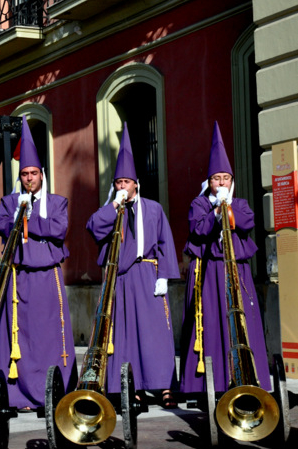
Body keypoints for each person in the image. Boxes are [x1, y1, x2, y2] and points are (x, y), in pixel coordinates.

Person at [86, 123, 180, 407]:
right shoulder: (112, 210)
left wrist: (164, 275)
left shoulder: (154, 208)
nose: (122, 186)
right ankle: (133, 386)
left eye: (126, 182)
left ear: (136, 183)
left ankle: (164, 386)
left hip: (149, 274)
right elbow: (93, 227)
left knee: (156, 331)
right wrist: (114, 205)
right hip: (122, 279)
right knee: (126, 334)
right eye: (118, 182)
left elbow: (165, 242)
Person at [179, 121, 271, 394]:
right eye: (217, 178)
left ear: (231, 181)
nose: (221, 183)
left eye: (225, 178)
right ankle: (209, 384)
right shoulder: (199, 204)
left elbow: (246, 222)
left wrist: (227, 207)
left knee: (242, 321)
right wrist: (217, 211)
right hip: (207, 274)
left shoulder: (240, 203)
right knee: (210, 323)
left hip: (236, 274)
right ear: (209, 182)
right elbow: (198, 228)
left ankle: (248, 377)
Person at [0, 115, 77, 411]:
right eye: (25, 174)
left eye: (34, 173)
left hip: (48, 277)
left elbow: (58, 228)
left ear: (42, 174)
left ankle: (53, 390)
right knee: (22, 336)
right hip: (19, 278)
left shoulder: (57, 202)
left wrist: (29, 219)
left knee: (49, 335)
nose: (29, 178)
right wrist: (21, 215)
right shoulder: (9, 202)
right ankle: (21, 395)